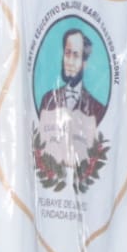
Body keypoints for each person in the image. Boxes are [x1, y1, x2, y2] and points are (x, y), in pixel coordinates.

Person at [35, 29, 108, 167]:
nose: (69, 61)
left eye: (76, 55)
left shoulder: (97, 109)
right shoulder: (47, 101)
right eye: (67, 53)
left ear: (84, 63)